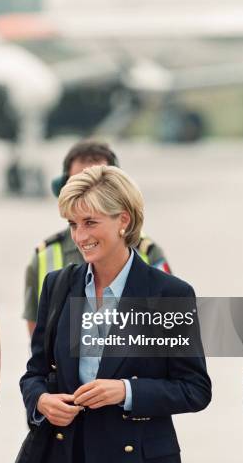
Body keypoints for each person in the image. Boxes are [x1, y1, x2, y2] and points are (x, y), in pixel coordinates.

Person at [20, 164, 211, 463]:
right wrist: (41, 401)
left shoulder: (167, 294)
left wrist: (124, 391)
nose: (79, 236)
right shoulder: (59, 285)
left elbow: (195, 390)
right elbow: (36, 373)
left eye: (90, 223)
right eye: (73, 225)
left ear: (123, 220)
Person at [23, 140, 171, 337]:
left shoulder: (149, 253)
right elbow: (39, 341)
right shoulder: (45, 257)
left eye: (102, 184)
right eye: (80, 182)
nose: (89, 190)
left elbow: (169, 337)